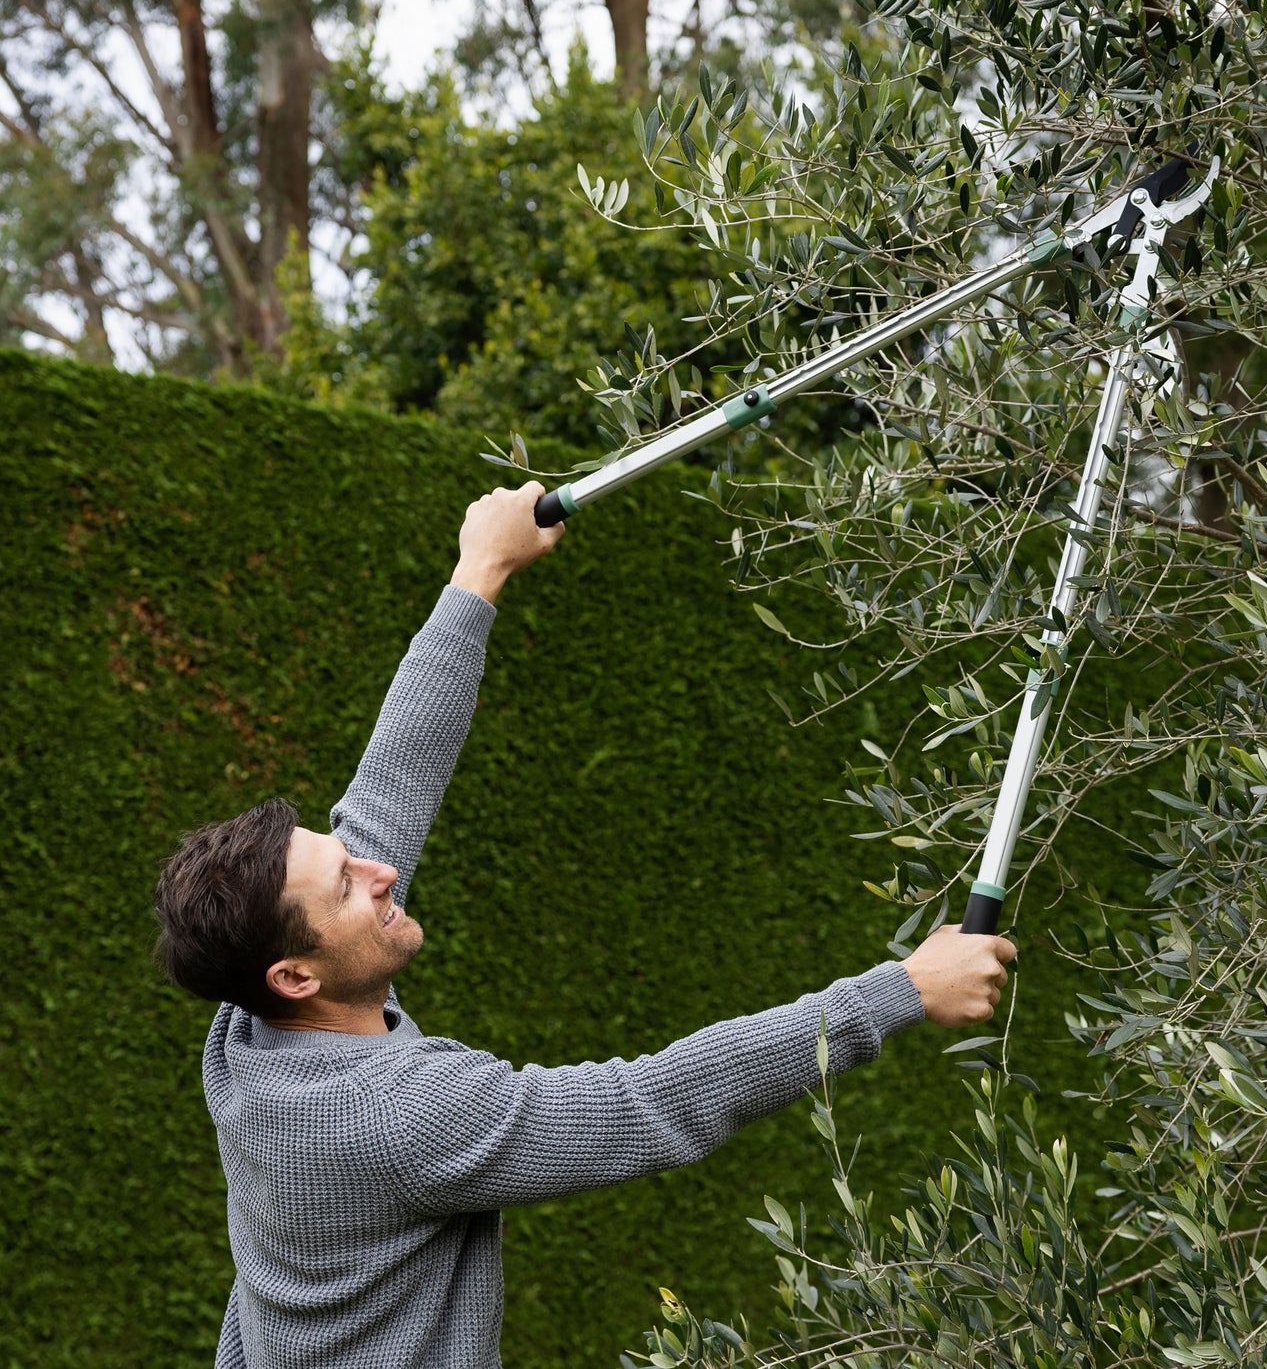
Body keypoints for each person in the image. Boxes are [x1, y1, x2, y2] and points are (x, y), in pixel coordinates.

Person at [153, 481, 1018, 1369]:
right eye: (346, 884)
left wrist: (477, 572)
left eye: (347, 853)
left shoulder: (246, 1035)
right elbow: (653, 1102)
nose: (379, 871)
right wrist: (901, 990)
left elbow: (388, 789)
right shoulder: (402, 1114)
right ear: (295, 975)